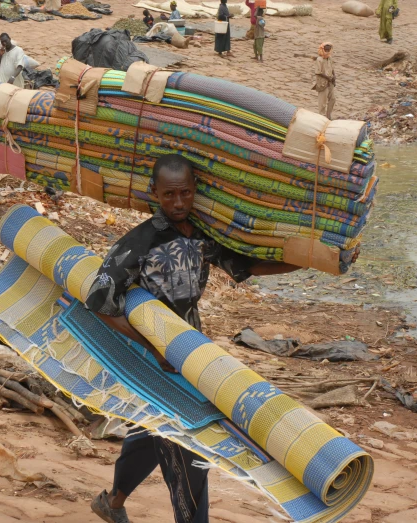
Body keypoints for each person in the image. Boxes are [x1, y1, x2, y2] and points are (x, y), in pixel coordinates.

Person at [86, 154, 299, 523]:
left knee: (153, 431)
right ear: (155, 193)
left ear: (195, 190)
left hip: (189, 349)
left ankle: (113, 502)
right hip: (149, 358)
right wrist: (152, 347)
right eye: (170, 195)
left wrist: (306, 260)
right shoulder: (141, 242)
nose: (179, 203)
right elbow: (101, 302)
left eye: (185, 192)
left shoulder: (200, 236)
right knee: (187, 444)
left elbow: (243, 266)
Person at [313, 42, 336, 119]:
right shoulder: (319, 59)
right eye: (326, 50)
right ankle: (321, 117)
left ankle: (328, 115)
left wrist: (334, 76)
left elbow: (332, 68)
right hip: (323, 83)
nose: (327, 52)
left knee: (333, 98)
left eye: (328, 50)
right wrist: (327, 78)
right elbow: (318, 72)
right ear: (322, 50)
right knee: (322, 102)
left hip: (330, 82)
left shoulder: (330, 58)